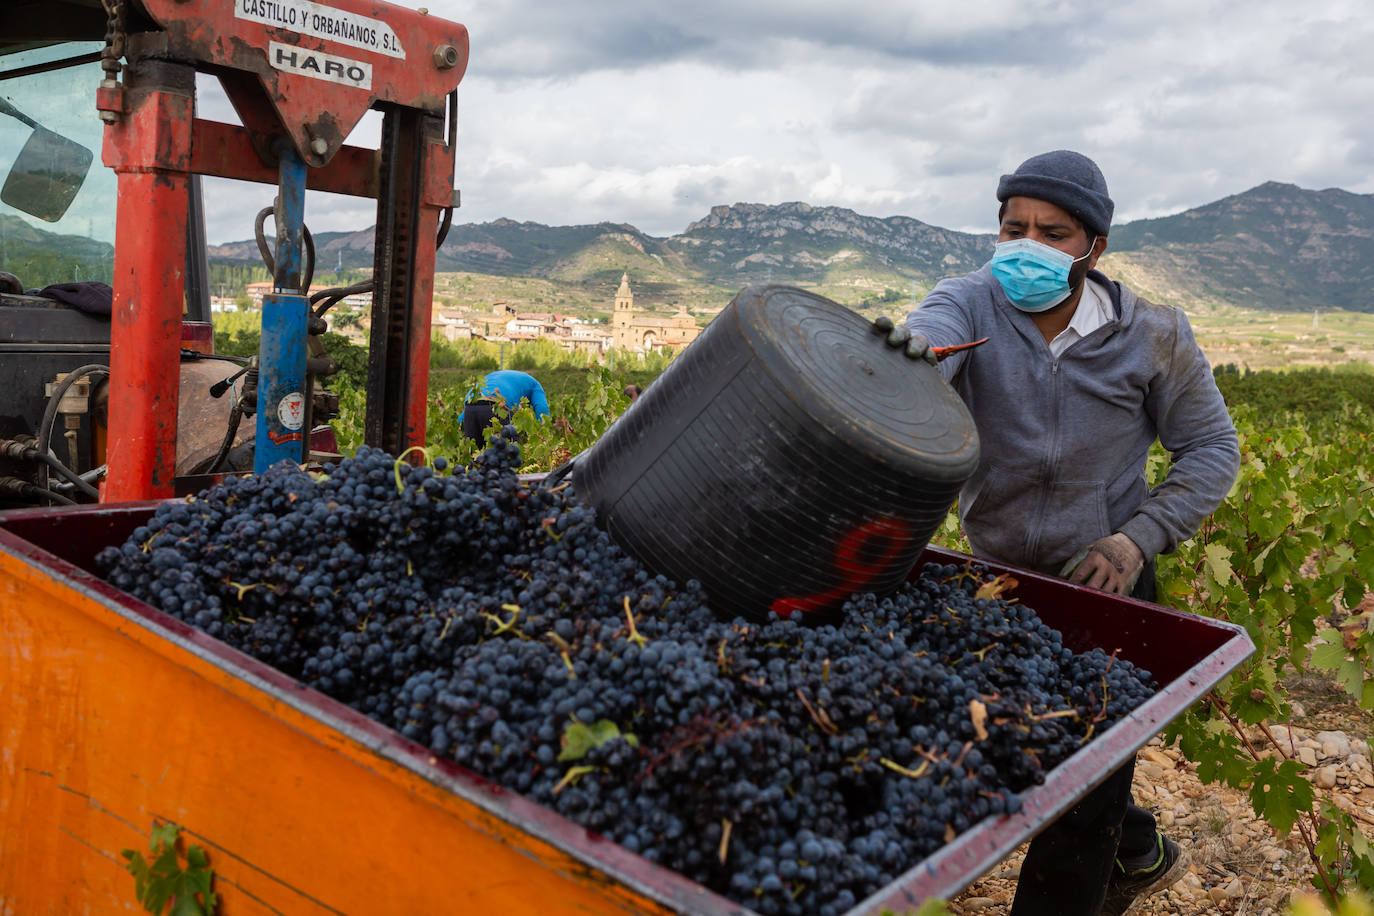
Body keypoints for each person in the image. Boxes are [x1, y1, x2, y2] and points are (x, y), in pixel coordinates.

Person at [902, 150, 1240, 916]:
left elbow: (1214, 449)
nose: (1027, 245)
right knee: (1017, 747)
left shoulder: (1153, 335)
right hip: (995, 578)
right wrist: (913, 360)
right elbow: (931, 339)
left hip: (1105, 580)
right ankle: (1140, 843)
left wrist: (1137, 538)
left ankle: (1098, 851)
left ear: (1094, 247)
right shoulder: (970, 303)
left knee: (1083, 791)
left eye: (1052, 232)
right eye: (1013, 228)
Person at [459, 369, 550, 446]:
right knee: (509, 455)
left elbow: (464, 415)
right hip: (498, 404)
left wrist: (459, 427)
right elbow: (542, 407)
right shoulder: (534, 384)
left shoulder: (495, 377)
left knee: (476, 458)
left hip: (470, 405)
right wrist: (543, 436)